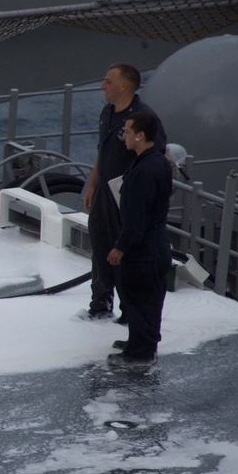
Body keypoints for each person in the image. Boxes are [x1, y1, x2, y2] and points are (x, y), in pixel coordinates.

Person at [82, 63, 166, 323]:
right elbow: (103, 152)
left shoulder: (143, 119)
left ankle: (130, 311)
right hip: (103, 196)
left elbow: (154, 159)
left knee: (126, 251)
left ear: (123, 86)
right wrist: (93, 184)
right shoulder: (108, 112)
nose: (102, 86)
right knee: (100, 245)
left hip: (126, 197)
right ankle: (101, 302)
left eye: (107, 81)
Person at [106, 112, 172, 368]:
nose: (124, 136)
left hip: (143, 249)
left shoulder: (144, 170)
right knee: (149, 297)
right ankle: (142, 340)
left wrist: (121, 247)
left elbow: (137, 216)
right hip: (154, 244)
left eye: (127, 131)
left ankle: (140, 353)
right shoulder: (157, 162)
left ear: (140, 135)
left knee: (140, 297)